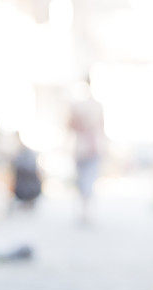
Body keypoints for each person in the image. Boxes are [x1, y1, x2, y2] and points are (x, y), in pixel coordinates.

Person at [69, 77, 105, 223]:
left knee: (83, 179)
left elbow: (70, 125)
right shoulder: (97, 106)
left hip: (82, 146)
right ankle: (87, 211)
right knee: (89, 179)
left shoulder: (77, 106)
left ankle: (84, 211)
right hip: (93, 146)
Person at [11, 132, 41, 209]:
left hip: (27, 182)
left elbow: (26, 166)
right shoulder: (21, 152)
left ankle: (27, 200)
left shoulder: (25, 152)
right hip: (27, 181)